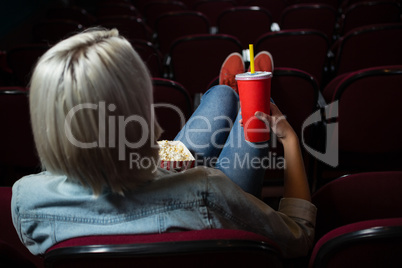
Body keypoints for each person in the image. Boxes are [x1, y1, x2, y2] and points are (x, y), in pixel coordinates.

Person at [11, 28, 316, 259]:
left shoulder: (25, 197)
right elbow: (299, 236)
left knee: (221, 97)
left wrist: (149, 158)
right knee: (256, 114)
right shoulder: (208, 188)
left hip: (146, 172)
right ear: (139, 112)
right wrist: (289, 139)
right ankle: (254, 91)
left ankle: (229, 91)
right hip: (208, 214)